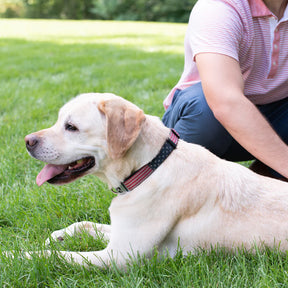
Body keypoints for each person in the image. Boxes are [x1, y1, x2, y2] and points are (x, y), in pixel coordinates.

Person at [162, 0, 288, 180]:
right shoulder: (219, 7)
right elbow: (225, 102)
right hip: (206, 125)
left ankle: (264, 182)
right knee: (205, 109)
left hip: (276, 117)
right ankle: (170, 182)